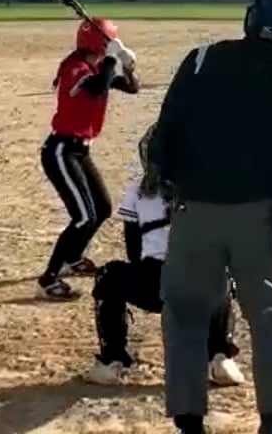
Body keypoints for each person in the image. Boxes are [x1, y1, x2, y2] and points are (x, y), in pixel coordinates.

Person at [148, 0, 272, 434]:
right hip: (259, 215)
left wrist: (175, 183)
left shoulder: (201, 61)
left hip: (194, 210)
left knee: (186, 314)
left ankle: (189, 422)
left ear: (249, 22)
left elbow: (162, 136)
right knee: (269, 317)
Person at [84, 125, 245, 390]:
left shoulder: (137, 191)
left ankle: (111, 361)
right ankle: (220, 356)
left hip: (157, 285)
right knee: (221, 271)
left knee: (108, 276)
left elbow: (134, 252)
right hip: (200, 286)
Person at [39, 17, 140, 301]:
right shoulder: (75, 68)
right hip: (61, 151)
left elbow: (132, 87)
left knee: (102, 208)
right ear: (100, 44)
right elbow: (97, 86)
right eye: (109, 41)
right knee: (84, 217)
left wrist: (128, 66)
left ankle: (73, 258)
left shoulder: (95, 67)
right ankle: (48, 280)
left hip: (80, 151)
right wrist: (111, 59)